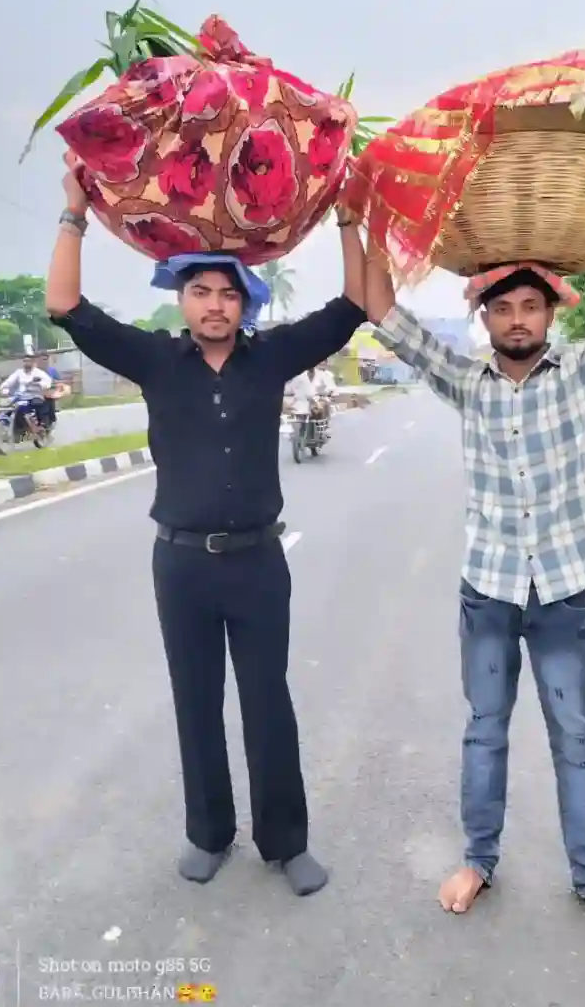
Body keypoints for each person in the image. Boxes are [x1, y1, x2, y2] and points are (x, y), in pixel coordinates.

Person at [357, 167, 585, 939]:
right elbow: (381, 309)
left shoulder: (583, 374)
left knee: (575, 737)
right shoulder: (466, 381)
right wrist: (361, 222)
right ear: (485, 319)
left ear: (548, 313)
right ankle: (479, 859)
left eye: (528, 305)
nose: (515, 319)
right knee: (484, 727)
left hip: (563, 592)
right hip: (490, 592)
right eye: (501, 307)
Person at [46, 173, 367, 897]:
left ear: (245, 300)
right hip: (181, 564)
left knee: (266, 701)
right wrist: (75, 209)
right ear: (181, 299)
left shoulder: (273, 358)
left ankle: (285, 842)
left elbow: (353, 307)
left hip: (258, 561)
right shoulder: (156, 360)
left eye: (228, 292)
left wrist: (348, 218)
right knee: (195, 699)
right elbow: (65, 305)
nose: (215, 305)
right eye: (202, 292)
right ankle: (209, 833)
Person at [0, 356, 52, 430]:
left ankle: (42, 425)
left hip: (34, 395)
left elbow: (48, 382)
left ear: (33, 362)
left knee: (38, 404)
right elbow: (9, 381)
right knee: (10, 406)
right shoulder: (19, 372)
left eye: (29, 361)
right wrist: (2, 388)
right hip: (21, 396)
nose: (27, 363)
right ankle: (9, 423)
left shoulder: (38, 372)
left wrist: (39, 383)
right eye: (25, 361)